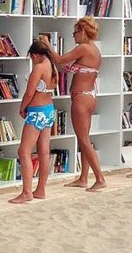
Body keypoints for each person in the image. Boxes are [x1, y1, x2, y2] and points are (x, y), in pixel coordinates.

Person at [45, 17, 106, 192]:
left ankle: (99, 178)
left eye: (74, 32)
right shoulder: (94, 50)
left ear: (82, 31)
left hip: (81, 98)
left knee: (84, 140)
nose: (73, 36)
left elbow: (59, 60)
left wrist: (47, 43)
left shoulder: (84, 48)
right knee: (84, 139)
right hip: (89, 96)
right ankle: (84, 178)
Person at [9, 40, 58, 204]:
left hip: (36, 113)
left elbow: (29, 93)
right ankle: (41, 189)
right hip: (49, 111)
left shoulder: (39, 67)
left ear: (35, 55)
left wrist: (22, 108)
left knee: (24, 151)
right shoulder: (52, 66)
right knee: (44, 152)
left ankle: (26, 192)